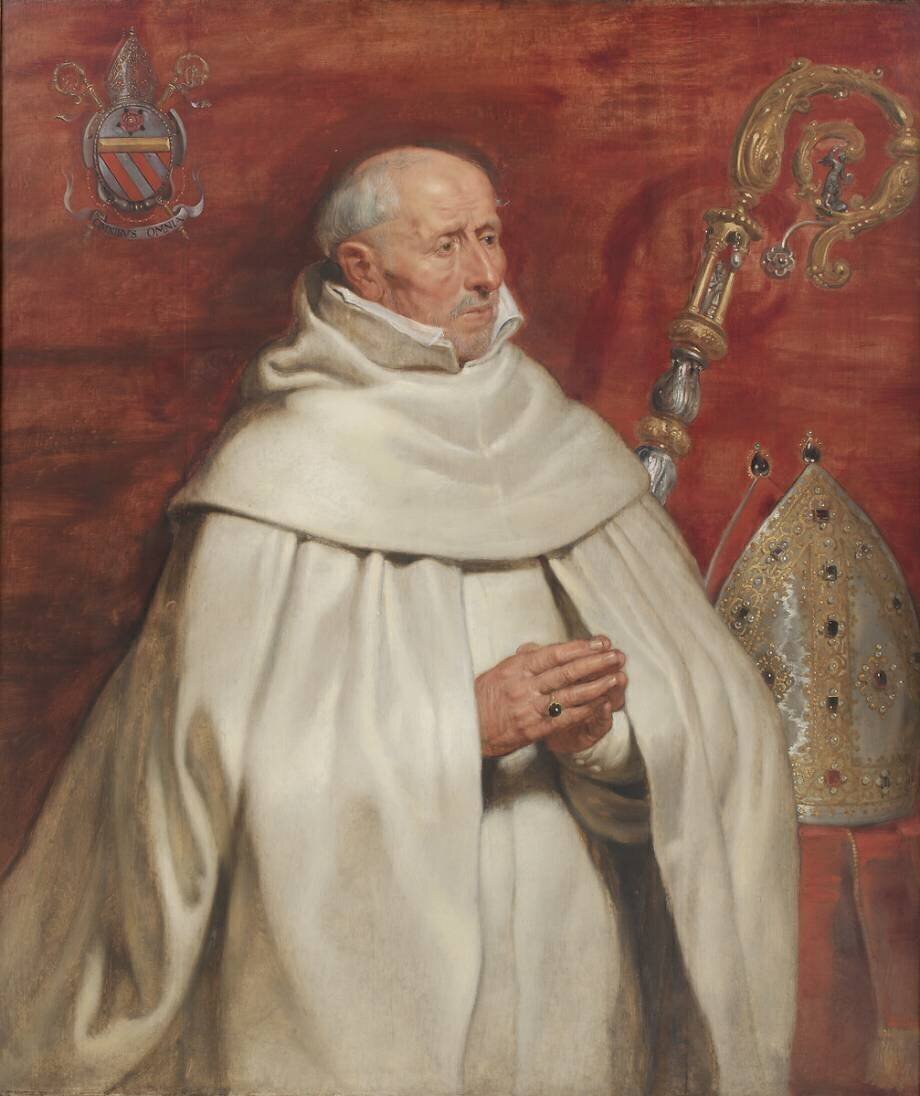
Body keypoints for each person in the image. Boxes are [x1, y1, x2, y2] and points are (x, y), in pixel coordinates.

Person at [0, 144, 798, 1096]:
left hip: (575, 983)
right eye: (447, 245)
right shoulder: (279, 476)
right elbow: (211, 785)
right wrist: (462, 725)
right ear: (362, 269)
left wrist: (604, 741)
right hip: (355, 1008)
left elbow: (716, 735)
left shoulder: (561, 445)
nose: (487, 273)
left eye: (490, 236)